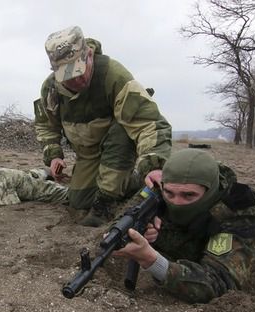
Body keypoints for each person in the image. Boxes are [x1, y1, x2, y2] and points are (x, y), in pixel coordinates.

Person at [113, 149, 255, 303]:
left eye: (189, 195)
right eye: (170, 193)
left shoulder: (242, 216)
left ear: (210, 191)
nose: (176, 202)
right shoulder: (165, 187)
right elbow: (127, 211)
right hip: (199, 225)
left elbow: (218, 282)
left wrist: (152, 260)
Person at [34, 25, 172, 227]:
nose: (77, 79)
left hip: (118, 145)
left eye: (80, 69)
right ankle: (130, 181)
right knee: (79, 200)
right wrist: (54, 154)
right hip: (89, 153)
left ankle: (107, 201)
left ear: (89, 55)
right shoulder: (50, 89)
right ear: (55, 72)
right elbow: (45, 126)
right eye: (68, 76)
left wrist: (154, 166)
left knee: (122, 133)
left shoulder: (114, 76)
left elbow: (148, 124)